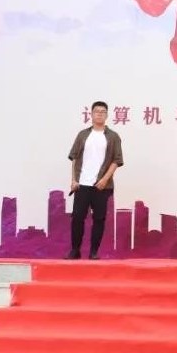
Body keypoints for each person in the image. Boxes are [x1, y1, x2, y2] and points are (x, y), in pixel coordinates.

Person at [66, 101, 124, 260]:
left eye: (103, 111)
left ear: (107, 115)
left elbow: (117, 160)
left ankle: (93, 252)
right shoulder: (83, 135)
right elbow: (74, 158)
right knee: (77, 218)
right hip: (82, 184)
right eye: (97, 111)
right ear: (91, 114)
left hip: (101, 185)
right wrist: (74, 180)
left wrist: (105, 180)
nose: (99, 114)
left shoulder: (113, 136)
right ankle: (75, 250)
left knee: (99, 219)